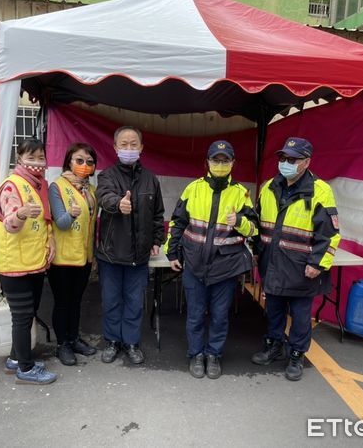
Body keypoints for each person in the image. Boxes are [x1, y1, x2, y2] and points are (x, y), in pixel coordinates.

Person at [166, 140, 258, 379]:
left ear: (232, 163)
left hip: (225, 267)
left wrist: (239, 222)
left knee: (219, 315)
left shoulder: (241, 193)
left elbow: (254, 230)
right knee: (195, 314)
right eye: (215, 160)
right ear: (207, 162)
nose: (219, 164)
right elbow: (177, 223)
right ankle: (196, 354)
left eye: (224, 160)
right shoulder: (193, 189)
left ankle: (214, 354)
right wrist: (172, 252)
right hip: (194, 264)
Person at [251, 137, 340, 381]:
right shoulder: (269, 186)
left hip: (302, 268)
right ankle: (274, 346)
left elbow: (330, 234)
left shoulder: (320, 191)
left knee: (301, 317)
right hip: (273, 263)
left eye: (292, 159)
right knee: (274, 310)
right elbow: (259, 224)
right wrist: (257, 249)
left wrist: (317, 264)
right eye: (282, 158)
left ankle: (296, 355)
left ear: (306, 162)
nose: (285, 163)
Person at [95, 126, 165, 365]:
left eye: (133, 144)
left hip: (139, 255)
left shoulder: (151, 179)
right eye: (123, 144)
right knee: (112, 301)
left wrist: (156, 240)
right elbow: (103, 197)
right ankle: (113, 341)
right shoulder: (107, 175)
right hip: (111, 253)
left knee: (135, 301)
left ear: (141, 148)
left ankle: (132, 343)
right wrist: (117, 204)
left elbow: (158, 215)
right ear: (115, 148)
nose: (128, 148)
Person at [0, 138, 57, 385]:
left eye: (41, 158)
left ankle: (16, 359)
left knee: (27, 315)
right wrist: (19, 213)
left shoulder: (38, 185)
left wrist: (50, 241)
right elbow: (10, 223)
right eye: (32, 157)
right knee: (21, 317)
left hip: (33, 262)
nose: (38, 163)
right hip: (15, 266)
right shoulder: (12, 186)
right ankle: (26, 369)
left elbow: (43, 222)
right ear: (19, 159)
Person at [48, 143, 99, 366]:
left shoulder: (91, 191)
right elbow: (60, 222)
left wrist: (94, 254)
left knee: (76, 301)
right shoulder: (56, 187)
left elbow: (93, 225)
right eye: (79, 160)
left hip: (84, 256)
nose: (84, 165)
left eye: (89, 162)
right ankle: (62, 344)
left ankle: (74, 338)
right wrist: (71, 214)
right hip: (62, 258)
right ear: (69, 161)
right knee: (62, 302)